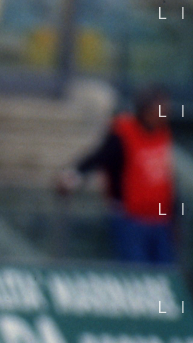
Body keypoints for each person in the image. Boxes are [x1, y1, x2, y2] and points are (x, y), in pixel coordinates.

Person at [57, 86, 176, 264]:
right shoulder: (125, 132)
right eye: (160, 108)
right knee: (135, 270)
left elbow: (167, 177)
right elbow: (99, 156)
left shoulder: (162, 133)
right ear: (146, 109)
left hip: (160, 220)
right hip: (131, 219)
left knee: (164, 270)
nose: (165, 113)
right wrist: (74, 175)